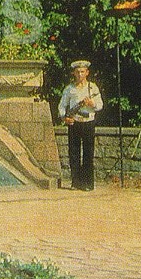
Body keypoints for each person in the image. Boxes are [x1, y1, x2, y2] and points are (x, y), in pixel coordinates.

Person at [58, 60, 103, 191]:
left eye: (82, 72)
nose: (79, 74)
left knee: (88, 154)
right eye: (77, 72)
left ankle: (88, 184)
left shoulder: (92, 88)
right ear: (73, 73)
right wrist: (64, 118)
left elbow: (100, 105)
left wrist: (91, 103)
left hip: (88, 122)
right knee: (74, 153)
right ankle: (75, 182)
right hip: (74, 122)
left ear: (87, 73)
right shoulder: (69, 89)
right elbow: (62, 105)